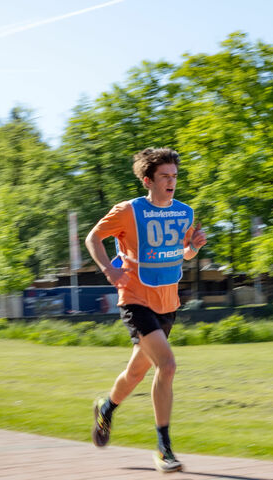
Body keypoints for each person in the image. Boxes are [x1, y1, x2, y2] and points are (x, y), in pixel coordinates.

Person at [85, 147, 207, 473]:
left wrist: (193, 246)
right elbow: (93, 238)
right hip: (135, 298)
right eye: (164, 176)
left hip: (167, 303)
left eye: (174, 176)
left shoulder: (185, 212)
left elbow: (182, 253)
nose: (171, 181)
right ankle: (164, 449)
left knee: (136, 373)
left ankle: (106, 408)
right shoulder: (128, 211)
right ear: (147, 180)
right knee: (167, 365)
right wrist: (109, 270)